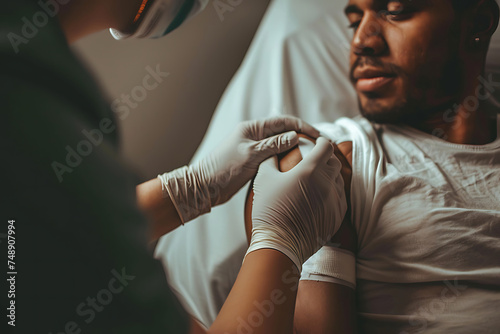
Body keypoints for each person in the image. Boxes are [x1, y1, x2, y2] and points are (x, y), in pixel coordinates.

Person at [1, 0, 347, 333]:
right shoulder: (29, 103)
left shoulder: (29, 75)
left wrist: (189, 190)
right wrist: (281, 241)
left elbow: (52, 234)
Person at [288, 0, 500, 333]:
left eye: (396, 11)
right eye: (354, 21)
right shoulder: (330, 162)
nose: (361, 41)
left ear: (478, 23)